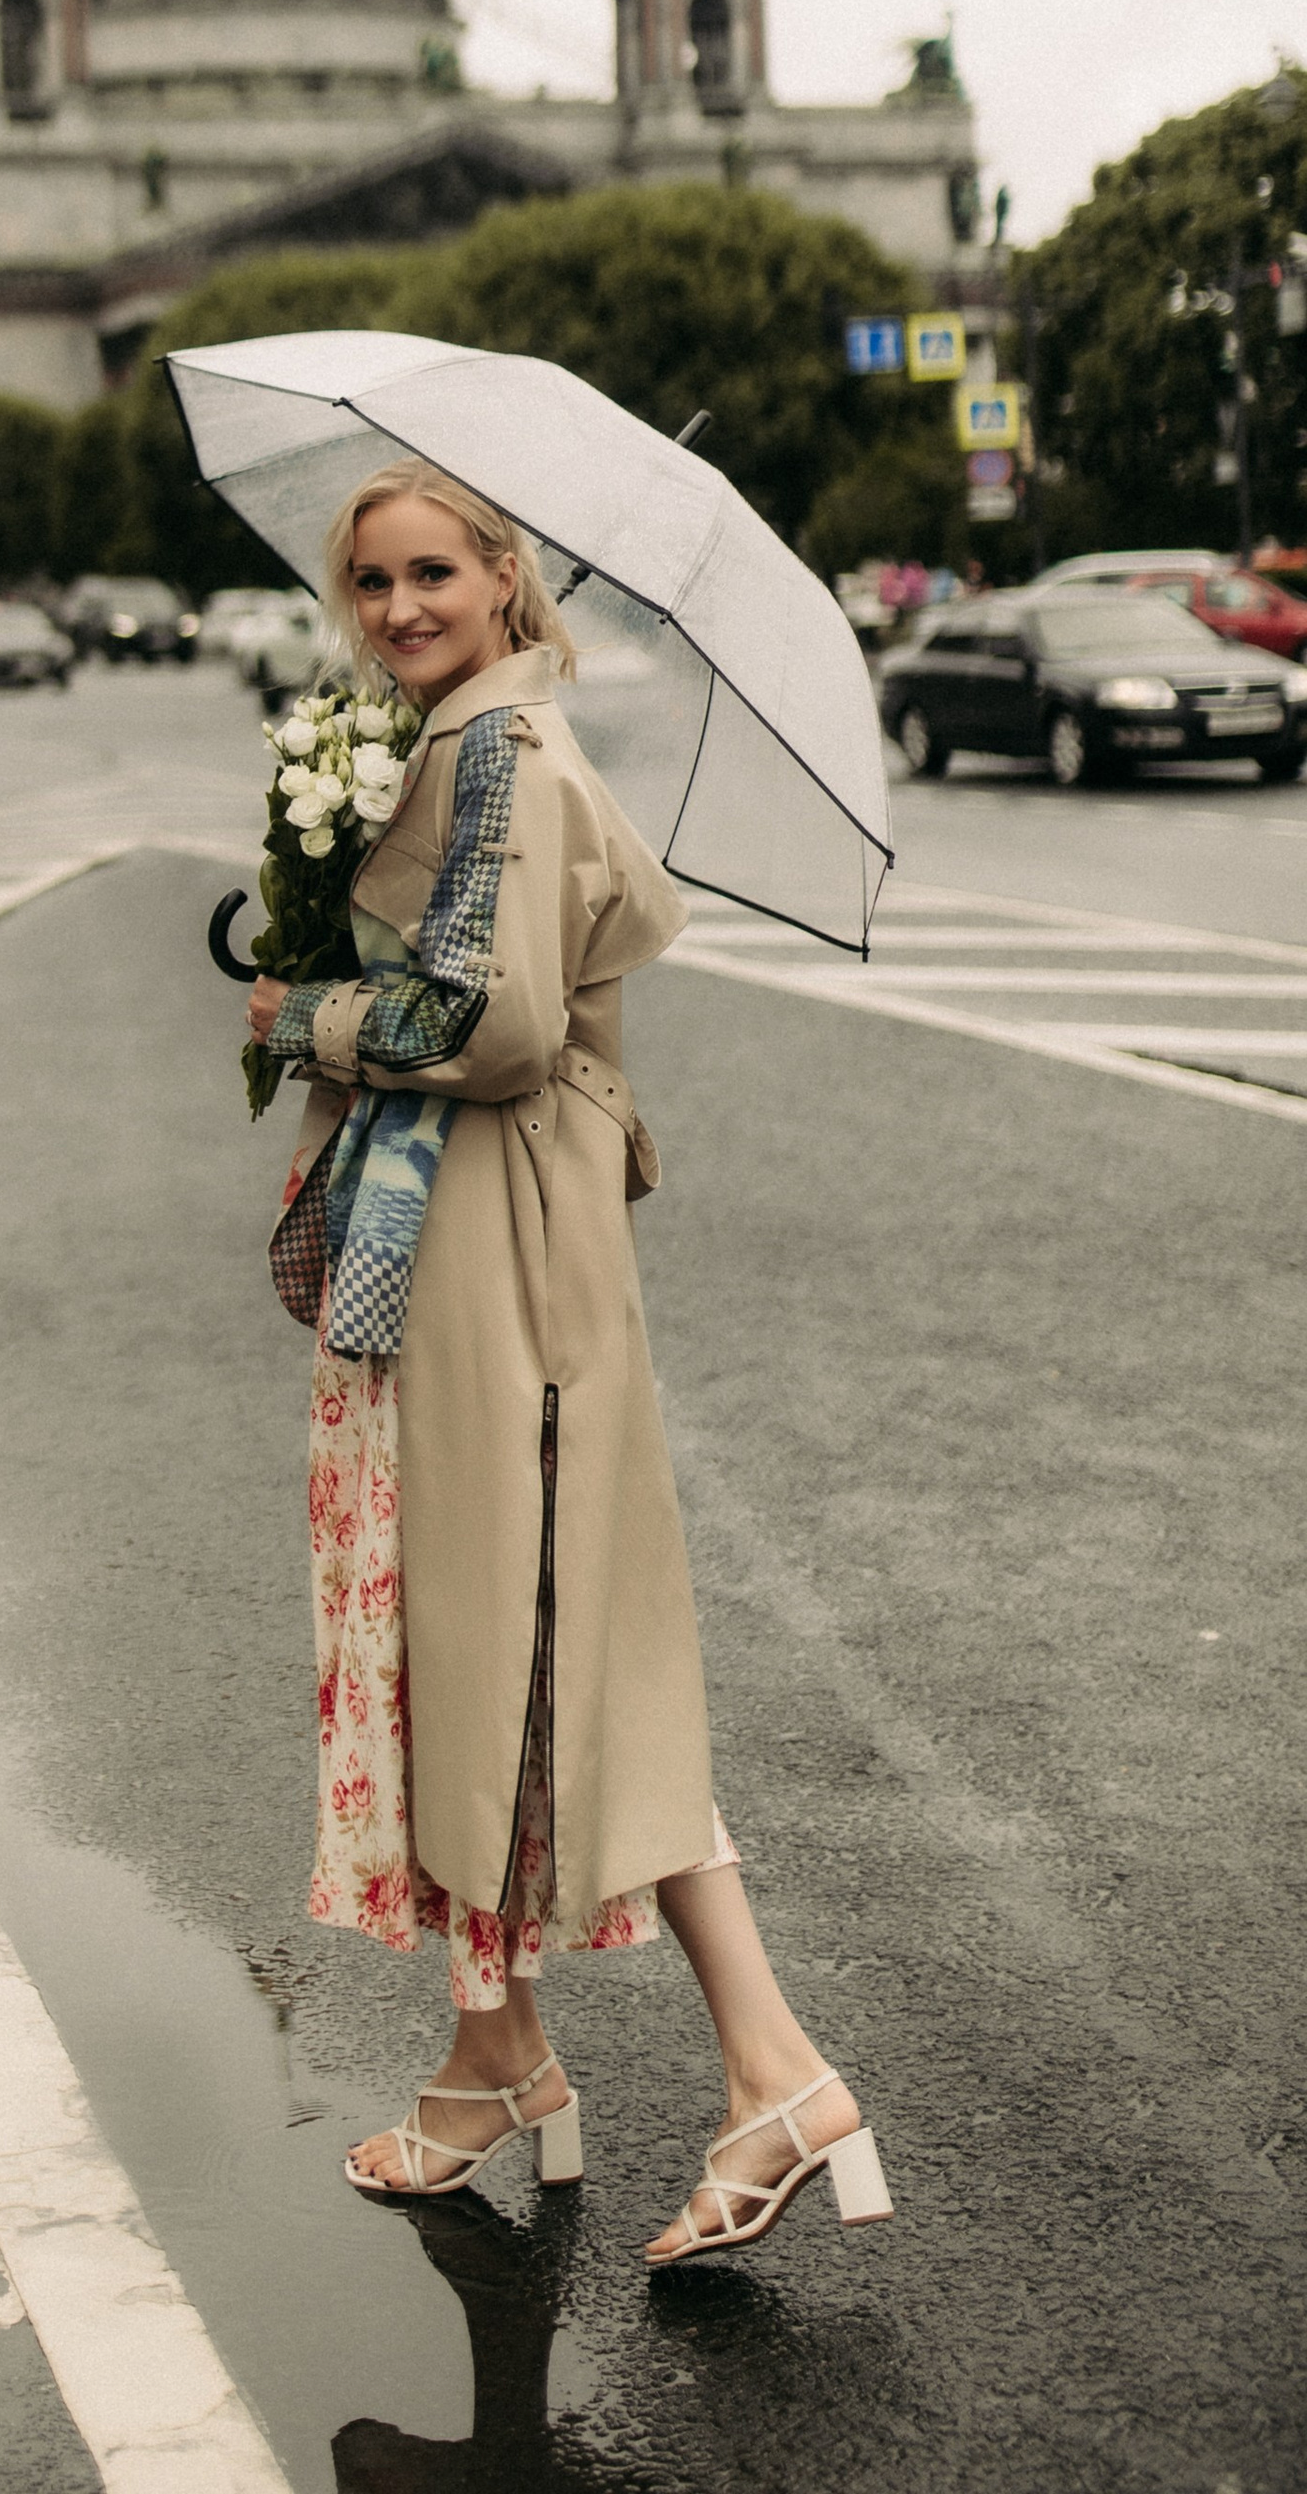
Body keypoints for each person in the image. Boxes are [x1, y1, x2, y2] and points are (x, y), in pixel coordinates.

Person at [246, 463, 893, 2263]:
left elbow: (505, 1024)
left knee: (537, 1648)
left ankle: (753, 2063)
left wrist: (314, 1013)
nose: (397, 608)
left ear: (508, 574)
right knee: (516, 1657)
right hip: (492, 1250)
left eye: (432, 571)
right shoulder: (467, 739)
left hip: (501, 1262)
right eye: (370, 580)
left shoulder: (502, 762)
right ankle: (499, 2053)